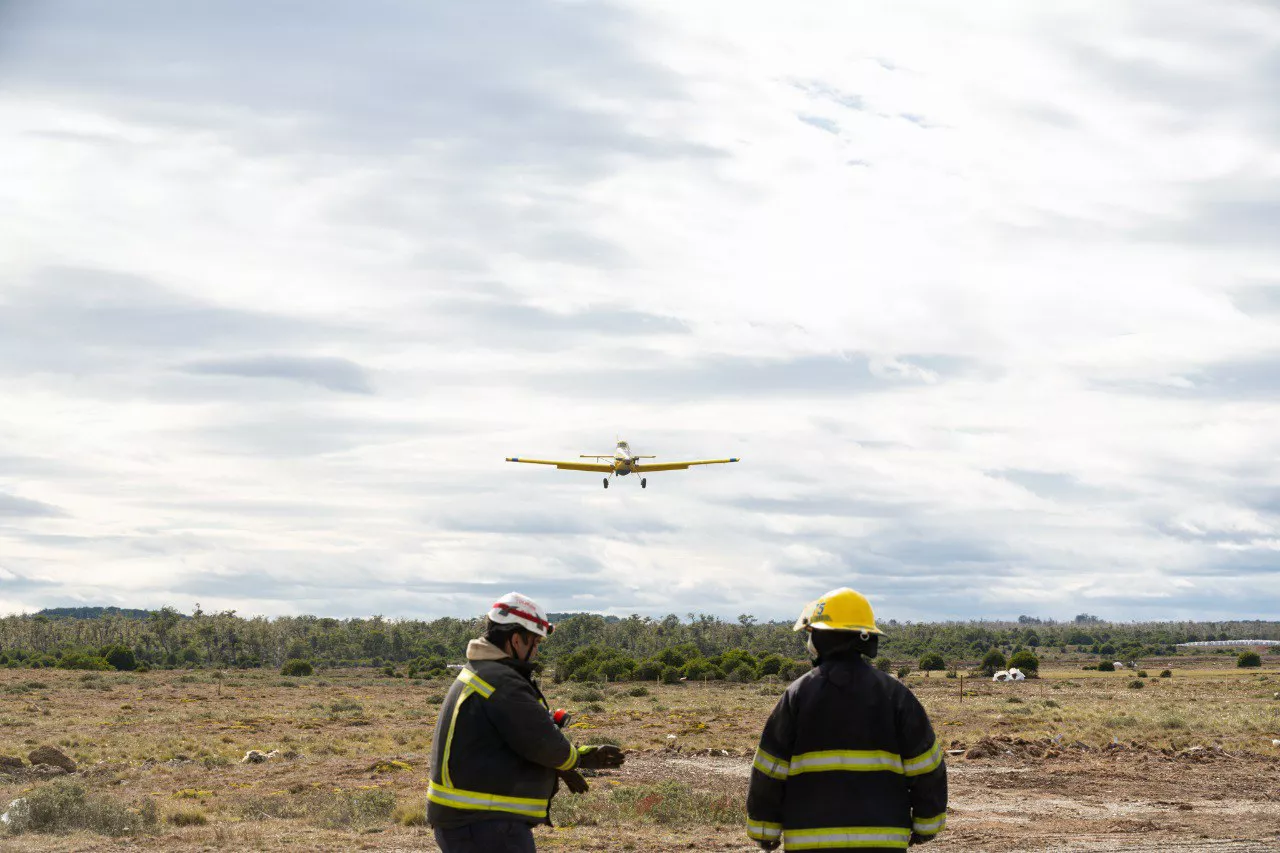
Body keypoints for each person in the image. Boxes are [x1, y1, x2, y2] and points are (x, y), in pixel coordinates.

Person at [746, 588, 947, 851]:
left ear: (822, 637)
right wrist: (926, 827)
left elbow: (770, 769)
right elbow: (926, 769)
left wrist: (765, 831)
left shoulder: (797, 694)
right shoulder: (897, 695)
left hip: (810, 843)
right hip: (883, 843)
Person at [427, 592, 625, 852]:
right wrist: (578, 759)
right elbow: (544, 744)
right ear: (517, 639)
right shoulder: (501, 681)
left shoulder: (481, 672)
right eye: (535, 643)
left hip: (467, 820)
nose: (536, 651)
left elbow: (514, 735)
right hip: (486, 823)